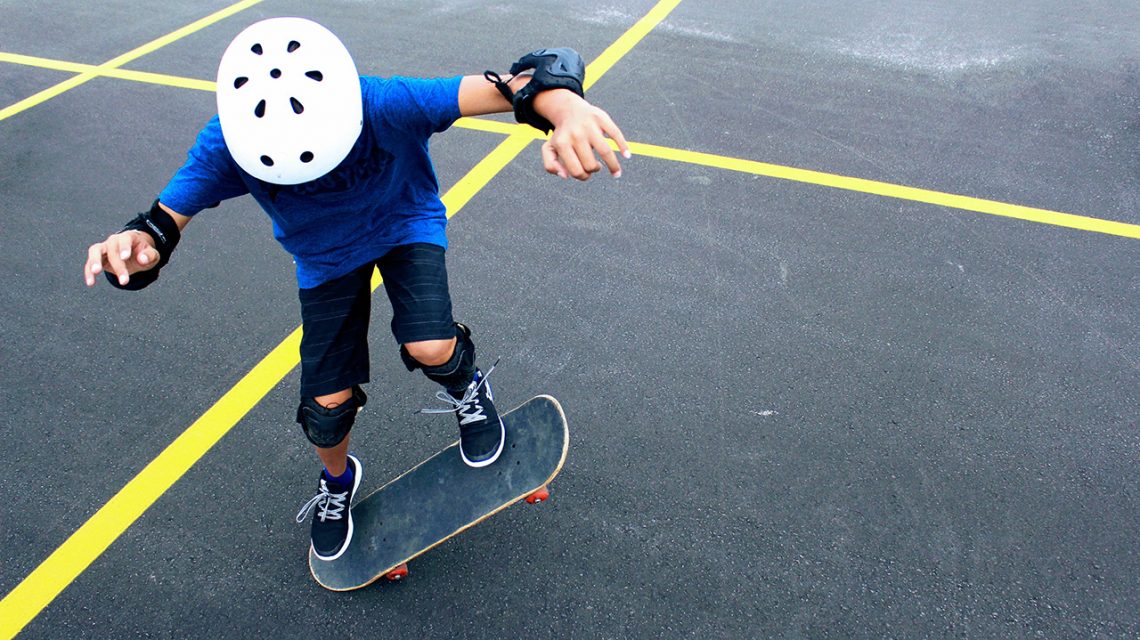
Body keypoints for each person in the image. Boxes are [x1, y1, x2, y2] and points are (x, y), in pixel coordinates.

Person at [82, 17, 629, 562]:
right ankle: (338, 484)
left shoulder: (385, 102)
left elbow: (530, 78)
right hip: (324, 258)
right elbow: (159, 224)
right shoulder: (227, 140)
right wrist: (136, 248)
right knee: (325, 409)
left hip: (403, 224)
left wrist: (568, 109)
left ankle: (467, 389)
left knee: (429, 345)